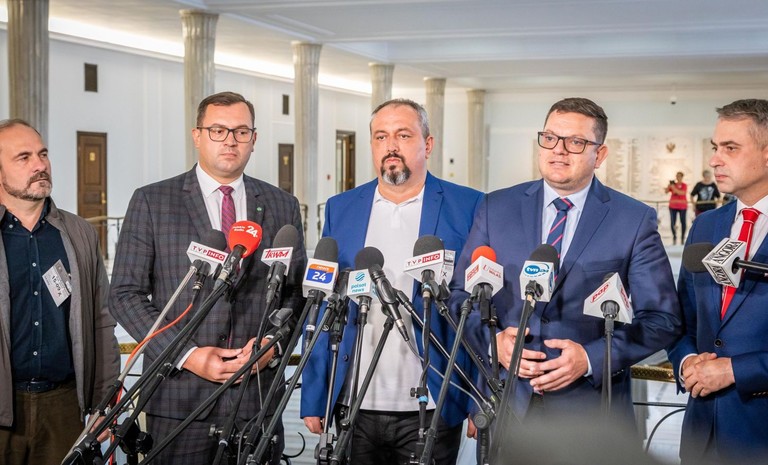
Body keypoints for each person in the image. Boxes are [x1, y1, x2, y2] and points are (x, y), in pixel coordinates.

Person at [453, 98, 681, 425]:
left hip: (590, 411)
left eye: (575, 142)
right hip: (506, 405)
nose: (558, 150)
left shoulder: (632, 220)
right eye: (550, 138)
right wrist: (494, 344)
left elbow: (662, 319)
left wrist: (591, 358)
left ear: (600, 154)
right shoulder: (496, 208)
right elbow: (462, 296)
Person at [109, 91, 306, 465]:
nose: (230, 140)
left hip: (258, 400)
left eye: (241, 131)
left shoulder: (282, 205)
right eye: (218, 130)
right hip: (180, 399)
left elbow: (295, 293)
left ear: (253, 139)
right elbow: (124, 294)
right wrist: (187, 354)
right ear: (197, 136)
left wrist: (272, 345)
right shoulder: (153, 201)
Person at [301, 98, 484, 464]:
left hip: (434, 402)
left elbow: (478, 307)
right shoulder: (342, 208)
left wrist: (478, 396)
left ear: (427, 144)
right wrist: (315, 393)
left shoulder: (469, 206)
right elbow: (323, 305)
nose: (391, 146)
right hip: (353, 401)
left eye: (403, 135)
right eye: (381, 136)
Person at [0, 119, 120, 464]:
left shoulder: (78, 232)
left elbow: (101, 321)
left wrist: (103, 402)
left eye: (43, 154)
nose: (40, 165)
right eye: (23, 157)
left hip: (64, 406)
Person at [667, 99, 768, 464]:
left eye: (730, 148)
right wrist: (687, 362)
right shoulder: (706, 225)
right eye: (715, 147)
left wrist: (735, 370)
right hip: (702, 434)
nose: (714, 160)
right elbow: (681, 318)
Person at [665, 171, 688, 244]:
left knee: (683, 222)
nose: (678, 177)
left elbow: (682, 193)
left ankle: (682, 237)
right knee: (673, 222)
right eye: (677, 176)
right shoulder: (673, 185)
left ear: (682, 177)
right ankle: (674, 236)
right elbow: (666, 191)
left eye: (679, 176)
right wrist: (669, 186)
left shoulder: (684, 185)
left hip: (682, 206)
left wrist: (673, 188)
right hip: (673, 206)